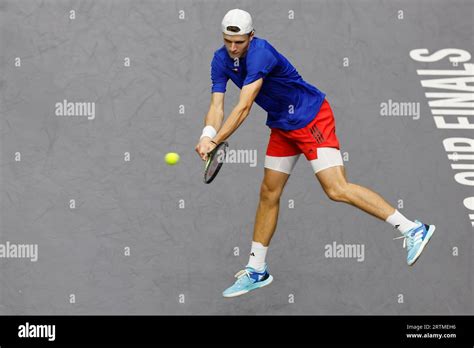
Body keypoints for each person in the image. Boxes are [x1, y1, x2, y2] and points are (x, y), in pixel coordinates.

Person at [194, 9, 435, 298]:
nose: (233, 48)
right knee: (269, 193)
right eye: (228, 41)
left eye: (240, 42)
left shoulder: (261, 54)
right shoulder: (220, 60)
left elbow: (244, 106)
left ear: (251, 37)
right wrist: (207, 135)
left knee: (336, 188)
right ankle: (257, 269)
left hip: (311, 119)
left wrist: (218, 140)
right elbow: (217, 105)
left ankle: (412, 229)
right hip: (282, 126)